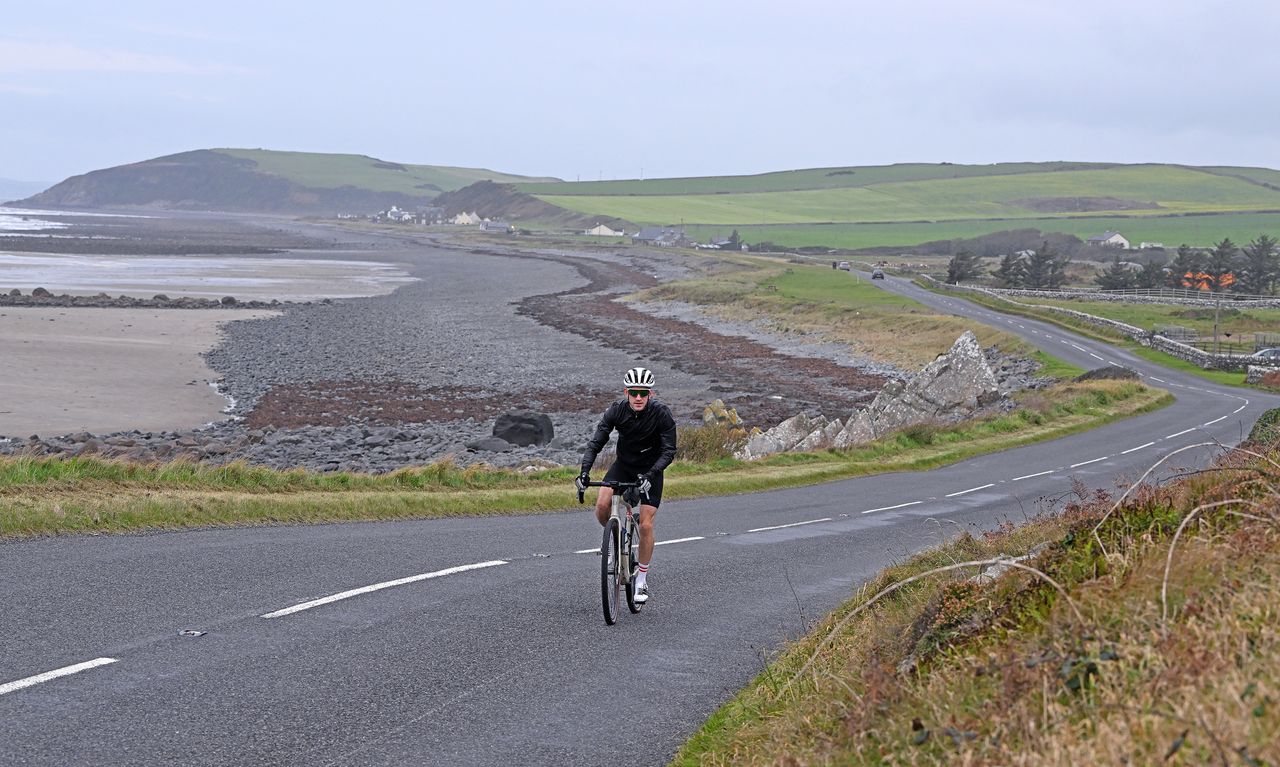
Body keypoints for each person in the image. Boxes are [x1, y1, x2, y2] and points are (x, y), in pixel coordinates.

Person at [576, 367, 677, 604]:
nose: (638, 397)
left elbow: (669, 450)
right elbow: (596, 442)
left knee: (645, 525)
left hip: (651, 470)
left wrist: (651, 474)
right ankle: (614, 538)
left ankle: (641, 580)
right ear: (626, 392)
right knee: (602, 506)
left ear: (650, 394)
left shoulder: (662, 414)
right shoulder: (616, 411)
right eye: (634, 393)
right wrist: (584, 472)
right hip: (624, 465)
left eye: (643, 392)